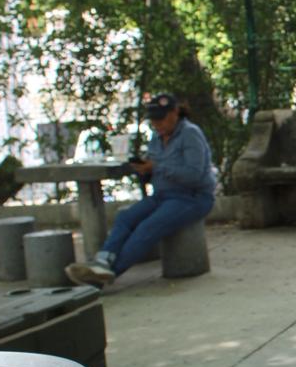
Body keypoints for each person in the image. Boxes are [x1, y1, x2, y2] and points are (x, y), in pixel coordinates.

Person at [65, 93, 216, 287]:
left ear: (175, 113)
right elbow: (153, 169)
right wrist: (144, 170)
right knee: (125, 218)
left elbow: (194, 175)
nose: (157, 124)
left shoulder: (190, 134)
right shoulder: (156, 137)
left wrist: (157, 167)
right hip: (162, 195)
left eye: (161, 119)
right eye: (153, 120)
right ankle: (103, 260)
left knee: (148, 227)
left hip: (192, 197)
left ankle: (108, 273)